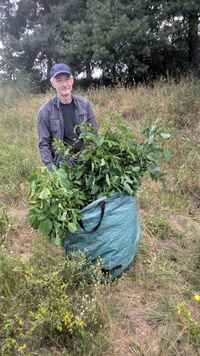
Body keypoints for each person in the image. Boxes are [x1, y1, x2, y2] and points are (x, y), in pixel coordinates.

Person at [37, 63, 98, 170]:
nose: (64, 84)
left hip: (87, 160)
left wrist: (93, 155)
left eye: (67, 79)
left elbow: (94, 133)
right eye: (59, 80)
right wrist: (51, 169)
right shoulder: (45, 111)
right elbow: (44, 144)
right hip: (63, 165)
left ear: (72, 80)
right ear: (53, 83)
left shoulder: (84, 104)